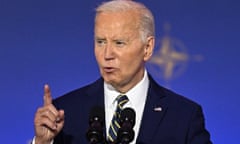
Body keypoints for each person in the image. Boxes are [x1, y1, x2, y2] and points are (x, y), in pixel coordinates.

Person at [33, 0, 212, 144]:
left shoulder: (183, 116)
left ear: (147, 48)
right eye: (101, 42)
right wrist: (42, 142)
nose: (107, 54)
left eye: (119, 43)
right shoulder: (65, 112)